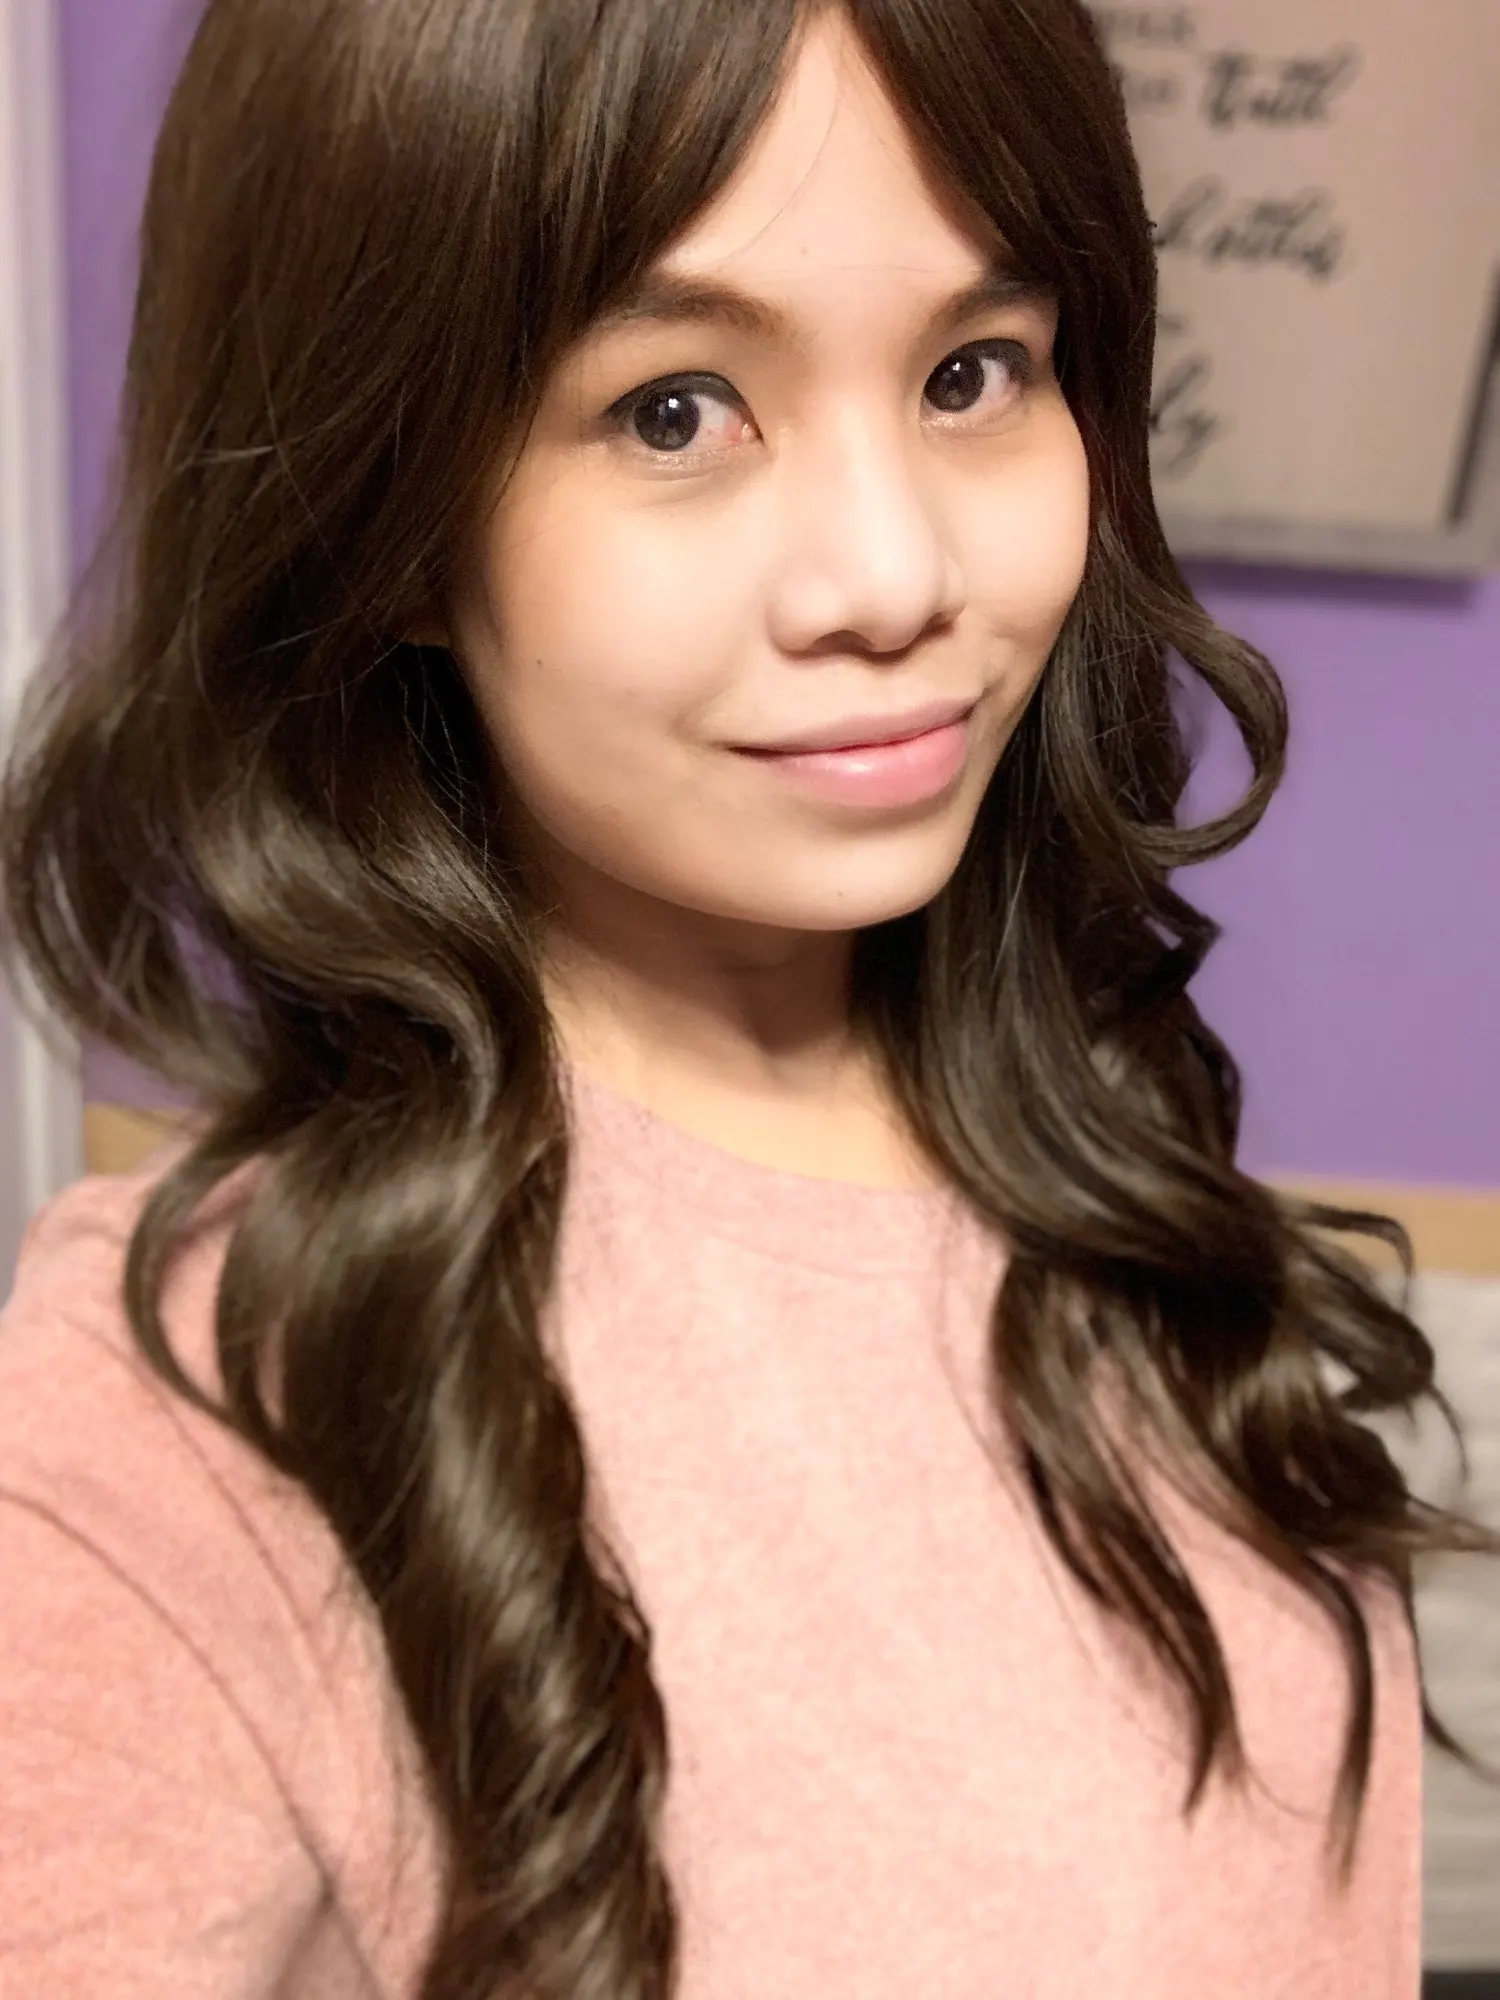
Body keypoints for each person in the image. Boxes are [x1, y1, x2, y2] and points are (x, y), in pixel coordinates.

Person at [1, 0, 1496, 1993]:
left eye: (974, 372)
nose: (893, 575)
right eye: (674, 411)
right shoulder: (176, 1426)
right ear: (390, 518)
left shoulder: (1113, 1183)